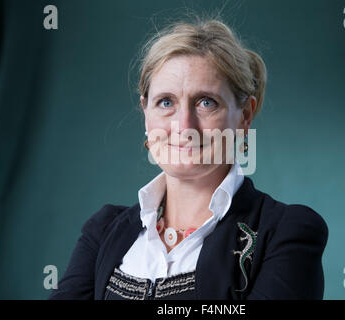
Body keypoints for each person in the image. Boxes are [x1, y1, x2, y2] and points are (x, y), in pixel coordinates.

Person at [49, 17, 328, 300]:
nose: (184, 126)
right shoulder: (103, 230)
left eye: (206, 102)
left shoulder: (285, 232)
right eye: (166, 102)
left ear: (245, 115)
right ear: (146, 113)